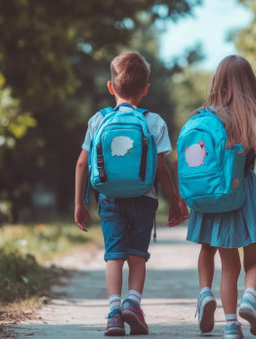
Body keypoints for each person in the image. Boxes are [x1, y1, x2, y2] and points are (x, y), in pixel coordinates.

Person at [74, 51, 187, 336]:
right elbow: (161, 167)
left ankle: (113, 311)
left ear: (111, 87)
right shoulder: (154, 122)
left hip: (108, 197)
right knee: (137, 256)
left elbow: (81, 163)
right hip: (144, 198)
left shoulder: (97, 121)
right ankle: (133, 304)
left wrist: (80, 202)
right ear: (146, 90)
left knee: (114, 256)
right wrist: (174, 200)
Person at [186, 55, 256, 339]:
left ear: (217, 81)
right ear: (249, 84)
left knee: (228, 266)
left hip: (213, 194)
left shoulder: (206, 118)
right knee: (253, 262)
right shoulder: (250, 115)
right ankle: (250, 299)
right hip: (244, 194)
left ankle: (231, 324)